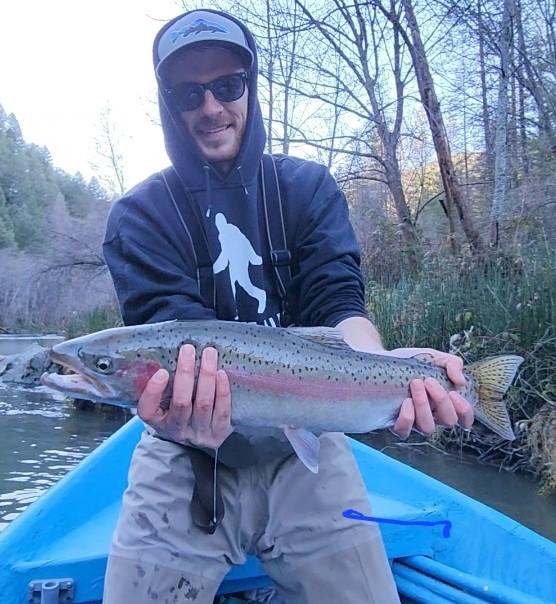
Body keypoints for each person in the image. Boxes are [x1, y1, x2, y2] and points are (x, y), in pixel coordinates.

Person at [102, 8, 473, 604]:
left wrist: (388, 369)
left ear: (249, 88)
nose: (212, 107)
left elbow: (338, 306)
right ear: (170, 104)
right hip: (185, 456)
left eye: (227, 86)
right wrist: (174, 412)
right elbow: (167, 334)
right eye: (190, 93)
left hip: (311, 445)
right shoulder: (139, 217)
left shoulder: (308, 188)